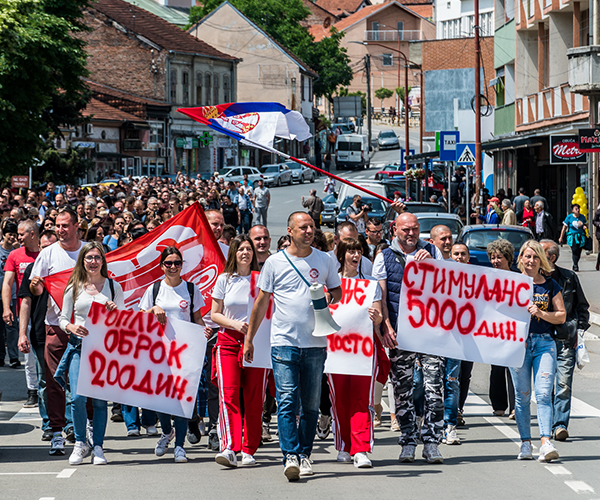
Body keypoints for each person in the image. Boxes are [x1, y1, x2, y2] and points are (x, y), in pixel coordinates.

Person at [244, 212, 342, 481]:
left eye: (311, 227)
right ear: (290, 231)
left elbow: (338, 292)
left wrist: (326, 294)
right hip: (284, 342)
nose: (309, 231)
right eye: (303, 227)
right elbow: (261, 302)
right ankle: (290, 455)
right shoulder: (275, 262)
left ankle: (305, 454)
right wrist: (249, 340)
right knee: (287, 401)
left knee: (310, 405)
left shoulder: (325, 259)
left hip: (315, 343)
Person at [373, 212, 445, 464]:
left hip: (430, 334)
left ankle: (432, 443)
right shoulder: (383, 257)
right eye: (406, 230)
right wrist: (386, 327)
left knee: (434, 390)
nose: (411, 234)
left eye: (415, 229)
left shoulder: (433, 253)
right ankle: (408, 442)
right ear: (395, 230)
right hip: (400, 334)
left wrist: (433, 264)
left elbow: (446, 289)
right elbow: (380, 296)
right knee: (403, 391)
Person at [57, 242, 124, 466]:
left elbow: (124, 322)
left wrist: (115, 313)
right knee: (77, 397)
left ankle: (98, 446)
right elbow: (63, 318)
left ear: (103, 261)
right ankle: (79, 442)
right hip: (78, 347)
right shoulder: (74, 287)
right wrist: (71, 327)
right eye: (89, 258)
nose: (93, 262)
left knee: (99, 401)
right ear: (82, 261)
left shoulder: (113, 287)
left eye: (97, 257)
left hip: (103, 350)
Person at [139, 246, 205, 463]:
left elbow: (198, 320)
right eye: (169, 263)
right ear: (162, 266)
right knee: (161, 402)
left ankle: (179, 447)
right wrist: (153, 310)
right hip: (158, 353)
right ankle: (167, 432)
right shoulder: (154, 289)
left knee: (182, 402)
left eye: (177, 263)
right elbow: (140, 318)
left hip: (185, 353)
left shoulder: (192, 290)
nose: (173, 267)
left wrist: (204, 332)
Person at [30, 208, 86, 455]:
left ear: (76, 226)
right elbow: (36, 290)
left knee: (84, 382)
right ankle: (56, 432)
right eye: (57, 227)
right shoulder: (47, 254)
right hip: (56, 325)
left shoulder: (89, 252)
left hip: (86, 328)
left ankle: (85, 431)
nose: (61, 230)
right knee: (54, 382)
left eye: (65, 226)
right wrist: (36, 287)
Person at [328, 238, 384, 468]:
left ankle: (361, 448)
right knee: (339, 398)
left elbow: (379, 318)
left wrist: (376, 317)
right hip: (335, 350)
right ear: (341, 255)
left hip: (363, 349)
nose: (355, 255)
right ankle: (343, 445)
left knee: (362, 399)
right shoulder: (331, 283)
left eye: (358, 251)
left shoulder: (370, 284)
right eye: (350, 251)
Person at [211, 236, 267, 468]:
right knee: (230, 396)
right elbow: (215, 314)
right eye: (241, 249)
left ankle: (249, 448)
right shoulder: (225, 279)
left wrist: (251, 334)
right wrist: (236, 325)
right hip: (228, 341)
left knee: (254, 398)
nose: (245, 253)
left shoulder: (261, 279)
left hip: (257, 343)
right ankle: (230, 446)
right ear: (233, 253)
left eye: (249, 249)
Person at [511, 240, 566, 462]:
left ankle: (545, 442)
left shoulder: (550, 285)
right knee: (522, 396)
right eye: (527, 256)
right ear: (521, 258)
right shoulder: (511, 283)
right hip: (518, 345)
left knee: (543, 394)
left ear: (541, 260)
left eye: (535, 257)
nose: (531, 260)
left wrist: (541, 314)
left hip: (544, 343)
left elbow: (561, 316)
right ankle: (526, 443)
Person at [540, 239, 590, 441]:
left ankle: (559, 425)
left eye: (540, 252)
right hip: (541, 340)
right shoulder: (532, 279)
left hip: (564, 340)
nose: (535, 257)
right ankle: (546, 424)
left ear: (551, 257)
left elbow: (582, 307)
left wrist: (579, 330)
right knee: (544, 387)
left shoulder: (569, 278)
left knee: (563, 384)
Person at [17, 230, 58, 440]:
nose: (47, 251)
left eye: (52, 246)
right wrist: (22, 333)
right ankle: (49, 424)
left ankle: (68, 424)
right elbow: (26, 302)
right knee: (44, 381)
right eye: (44, 247)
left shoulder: (68, 268)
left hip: (63, 333)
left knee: (65, 381)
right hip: (41, 335)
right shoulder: (32, 269)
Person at [3, 220, 40, 405]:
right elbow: (7, 283)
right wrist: (6, 308)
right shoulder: (14, 255)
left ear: (32, 234)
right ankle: (32, 390)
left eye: (21, 234)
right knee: (28, 354)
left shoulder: (46, 254)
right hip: (24, 311)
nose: (18, 238)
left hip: (46, 313)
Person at [429, 225, 460, 445]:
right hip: (428, 336)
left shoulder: (461, 270)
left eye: (450, 238)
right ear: (433, 242)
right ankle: (427, 422)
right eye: (443, 239)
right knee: (423, 382)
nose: (447, 242)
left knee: (451, 381)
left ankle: (449, 426)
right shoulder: (425, 268)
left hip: (455, 337)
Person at [486, 239, 517, 418]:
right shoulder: (488, 278)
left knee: (513, 369)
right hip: (494, 331)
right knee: (497, 369)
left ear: (508, 258)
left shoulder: (518, 278)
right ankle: (498, 405)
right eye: (493, 257)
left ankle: (515, 406)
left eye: (499, 257)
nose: (495, 261)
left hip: (513, 330)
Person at [450, 243, 473, 427]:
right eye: (456, 254)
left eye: (463, 254)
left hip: (470, 336)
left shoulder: (477, 279)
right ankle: (448, 410)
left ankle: (459, 408)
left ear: (468, 257)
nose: (459, 257)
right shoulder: (444, 276)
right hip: (448, 336)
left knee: (465, 374)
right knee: (450, 375)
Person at [0, 219, 19, 368]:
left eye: (14, 235)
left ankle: (13, 357)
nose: (12, 238)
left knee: (12, 327)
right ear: (3, 234)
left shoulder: (16, 252)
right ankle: (0, 356)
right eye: (9, 235)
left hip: (12, 295)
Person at [559, 203, 587, 272]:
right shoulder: (569, 217)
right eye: (576, 209)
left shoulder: (582, 217)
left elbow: (585, 224)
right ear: (573, 210)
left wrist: (584, 226)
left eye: (578, 209)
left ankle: (576, 262)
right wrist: (561, 237)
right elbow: (564, 227)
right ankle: (575, 265)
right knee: (574, 250)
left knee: (579, 251)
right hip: (572, 237)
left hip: (580, 236)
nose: (578, 210)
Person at [593, 204, 600, 271]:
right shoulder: (598, 212)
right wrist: (598, 224)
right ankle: (598, 263)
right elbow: (594, 221)